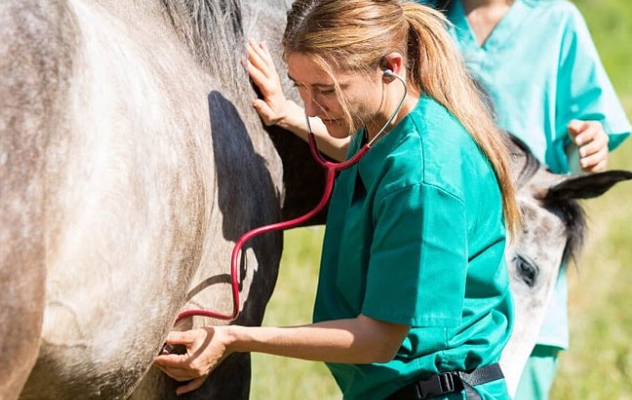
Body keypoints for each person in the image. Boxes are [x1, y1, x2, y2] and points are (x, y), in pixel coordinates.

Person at [155, 1, 522, 398]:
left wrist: (234, 338)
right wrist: (287, 114)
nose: (312, 106)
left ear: (391, 67)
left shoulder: (423, 182)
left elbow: (378, 339)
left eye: (326, 90)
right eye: (301, 86)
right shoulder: (393, 123)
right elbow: (359, 150)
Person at [419, 1, 631, 398]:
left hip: (526, 272)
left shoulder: (557, 21)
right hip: (443, 253)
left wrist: (592, 140)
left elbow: (594, 125)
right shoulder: (421, 16)